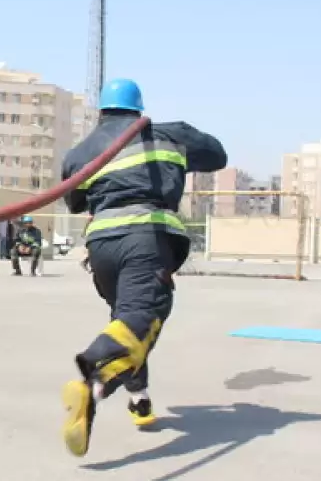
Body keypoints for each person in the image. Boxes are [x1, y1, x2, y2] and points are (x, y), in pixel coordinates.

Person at [58, 78, 228, 457]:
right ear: (138, 107)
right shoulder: (169, 135)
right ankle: (92, 379)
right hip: (145, 238)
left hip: (100, 245)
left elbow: (72, 202)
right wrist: (177, 140)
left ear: (101, 110)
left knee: (128, 320)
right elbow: (217, 156)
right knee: (141, 318)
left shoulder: (80, 151)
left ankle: (139, 399)